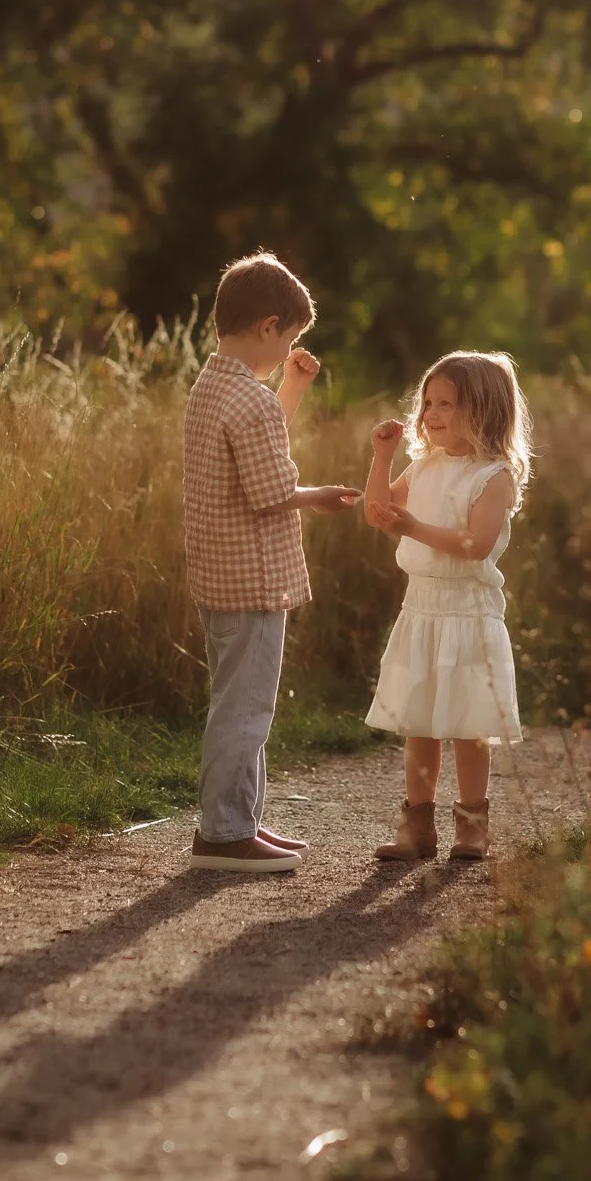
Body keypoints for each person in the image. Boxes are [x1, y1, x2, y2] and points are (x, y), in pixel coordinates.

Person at [183, 251, 360, 875]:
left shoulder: (215, 388)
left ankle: (240, 819)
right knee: (246, 709)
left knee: (240, 701)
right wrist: (323, 495)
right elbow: (269, 490)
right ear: (267, 327)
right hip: (252, 578)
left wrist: (291, 388)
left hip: (218, 574)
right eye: (288, 338)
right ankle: (224, 834)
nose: (287, 348)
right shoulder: (248, 403)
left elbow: (257, 450)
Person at [363, 351, 531, 864]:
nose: (431, 414)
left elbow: (475, 544)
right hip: (423, 606)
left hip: (468, 611)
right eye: (428, 402)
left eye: (446, 405)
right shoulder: (425, 465)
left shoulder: (493, 475)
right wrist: (382, 457)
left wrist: (411, 527)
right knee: (419, 718)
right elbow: (377, 511)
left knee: (466, 724)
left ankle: (473, 827)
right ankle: (417, 827)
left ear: (483, 410)